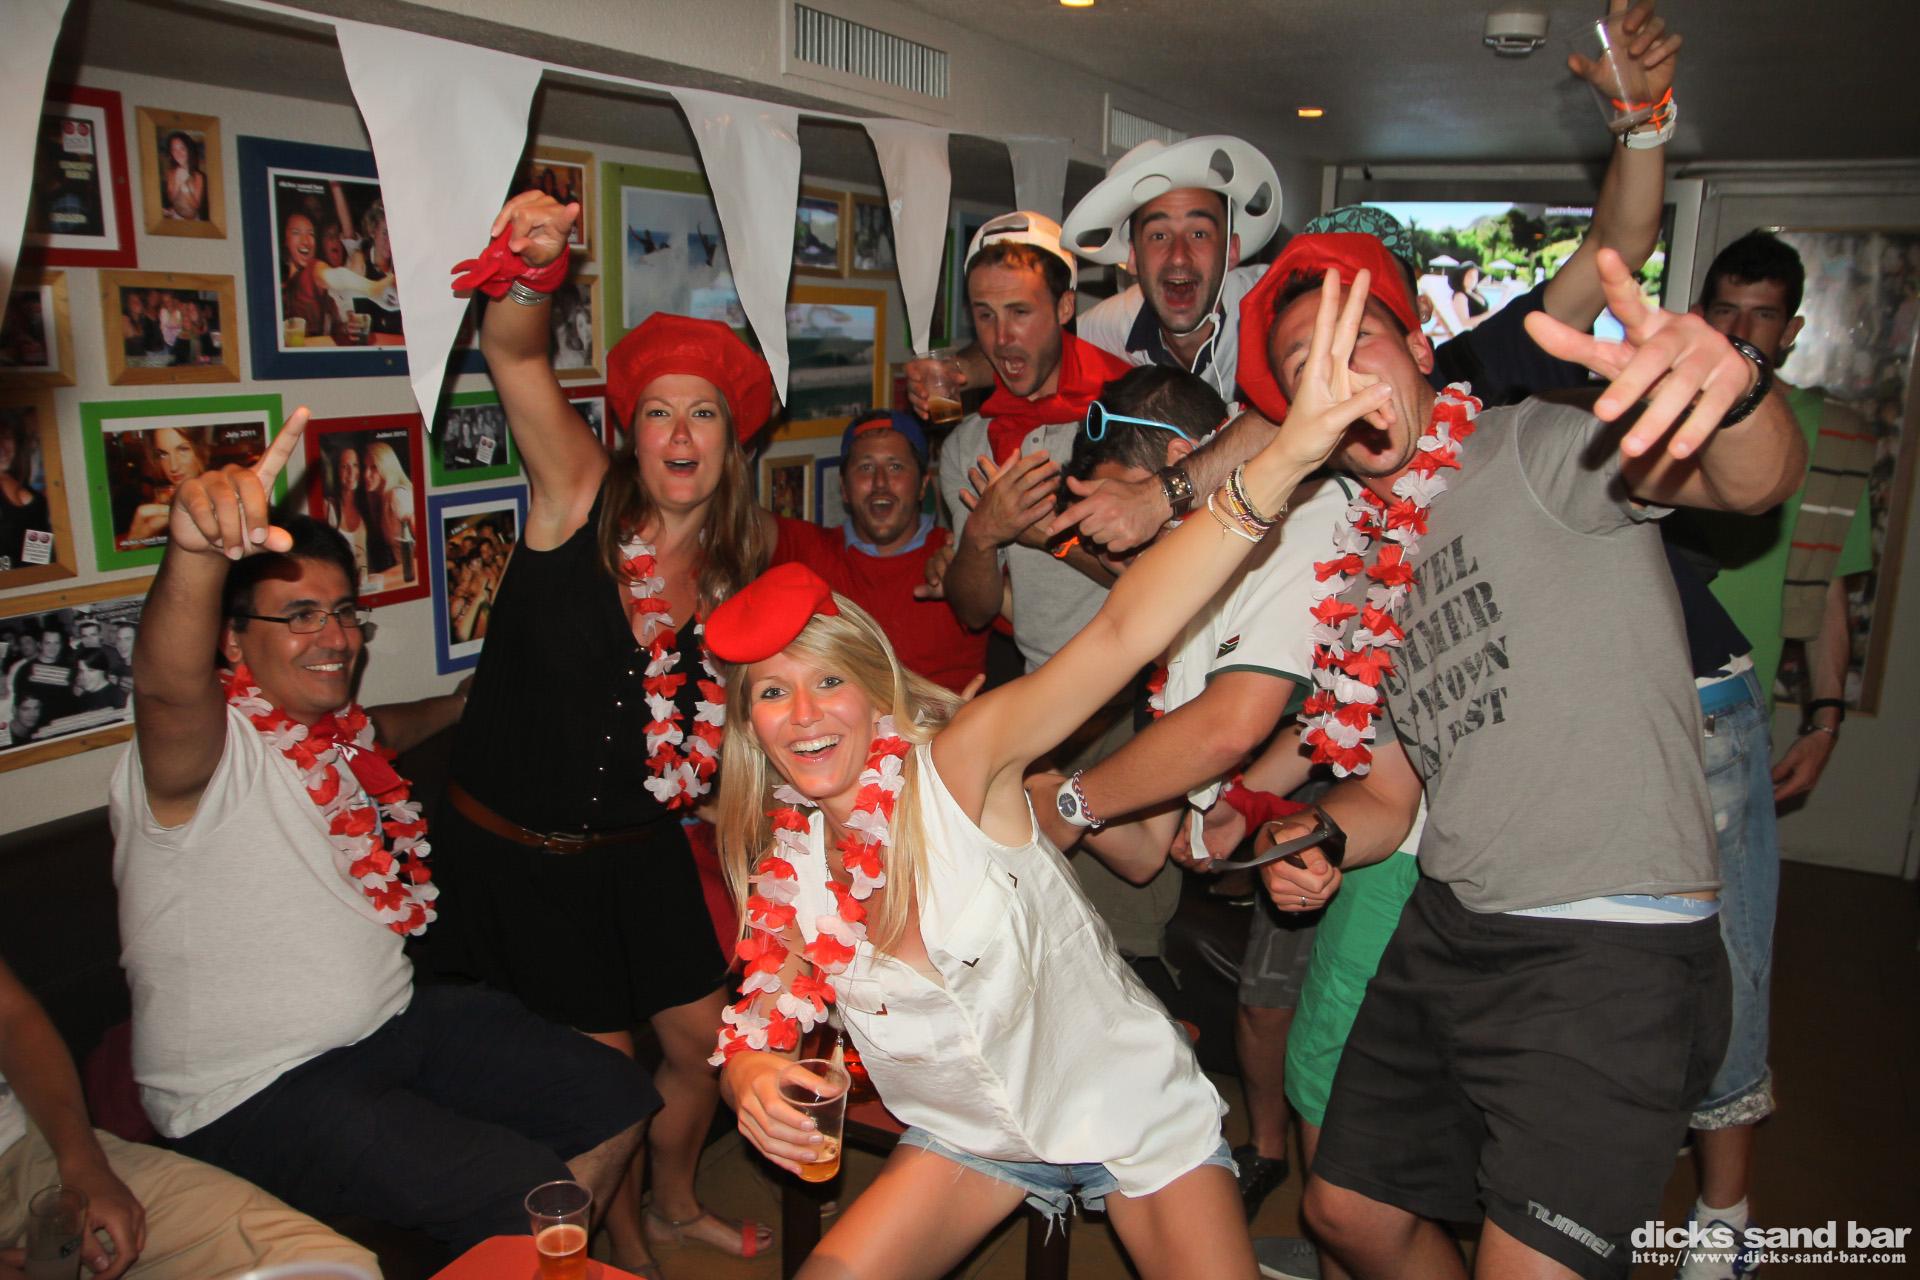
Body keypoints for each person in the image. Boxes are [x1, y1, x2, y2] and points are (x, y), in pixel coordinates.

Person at [712, 276, 1396, 1277]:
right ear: (750, 727)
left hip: (1126, 1104)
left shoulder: (961, 766)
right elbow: (763, 1007)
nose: (805, 715)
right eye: (773, 695)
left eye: (828, 683)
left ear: (873, 688)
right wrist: (747, 1078)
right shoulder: (787, 861)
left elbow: (1125, 629)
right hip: (971, 1136)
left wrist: (1288, 454)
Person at [1249, 230, 1804, 1280]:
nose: (1339, 374)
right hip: (1452, 927)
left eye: (1359, 340)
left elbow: (1752, 483)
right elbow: (1389, 793)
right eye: (1304, 365)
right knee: (1348, 1212)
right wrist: (1313, 832)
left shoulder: (1535, 446)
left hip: (1610, 944)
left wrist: (1733, 394)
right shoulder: (1362, 575)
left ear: (1422, 350)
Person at [110, 413, 653, 1259]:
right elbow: (165, 689)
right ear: (230, 640)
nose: (334, 638)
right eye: (299, 616)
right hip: (252, 1089)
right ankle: (528, 1257)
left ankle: (529, 1267)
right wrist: (193, 552)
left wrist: (462, 706)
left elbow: (384, 727)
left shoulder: (333, 734)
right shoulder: (198, 756)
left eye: (342, 613)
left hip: (394, 1027)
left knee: (617, 1094)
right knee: (517, 1188)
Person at [431, 190, 780, 1274]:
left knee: (708, 1041)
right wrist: (533, 271)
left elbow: (755, 726)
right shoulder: (577, 497)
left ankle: (670, 1201)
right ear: (630, 431)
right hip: (519, 860)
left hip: (637, 851)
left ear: (729, 440)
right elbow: (515, 355)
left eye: (704, 414)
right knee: (607, 1070)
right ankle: (619, 1242)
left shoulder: (736, 579)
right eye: (659, 412)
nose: (679, 434)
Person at [1042, 0, 1681, 558]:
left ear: (1416, 329)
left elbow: (1618, 246)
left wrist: (1641, 120)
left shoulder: (1488, 375)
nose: (1337, 359)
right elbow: (1276, 425)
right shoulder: (1313, 442)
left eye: (1363, 304)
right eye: (1314, 339)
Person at [1657, 230, 1874, 1279]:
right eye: (1725, 310)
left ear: (1789, 331)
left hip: (1727, 713)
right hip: (1635, 702)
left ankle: (1725, 1217)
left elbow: (1826, 588)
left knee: (1732, 958)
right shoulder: (1653, 415)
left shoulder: (1828, 437)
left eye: (1762, 315)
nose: (1742, 330)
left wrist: (1824, 720)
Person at [0, 953, 375, 1280]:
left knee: (326, 1265)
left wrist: (83, 1162)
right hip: (234, 1099)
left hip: (29, 1149)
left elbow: (12, 1018)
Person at [771, 410, 989, 694]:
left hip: (951, 720)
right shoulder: (808, 549)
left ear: (923, 485)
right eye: (865, 467)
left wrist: (970, 569)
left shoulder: (958, 554)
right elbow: (734, 518)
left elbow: (1031, 627)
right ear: (844, 488)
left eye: (896, 467)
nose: (880, 482)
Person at [124, 428, 210, 546]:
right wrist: (135, 545)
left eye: (183, 449)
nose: (173, 466)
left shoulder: (221, 500)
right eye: (163, 454)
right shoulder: (160, 507)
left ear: (202, 450)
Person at [0, 415, 49, 572]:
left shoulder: (25, 486)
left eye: (6, 438)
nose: (2, 449)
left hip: (36, 577)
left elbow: (38, 557)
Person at [322, 441, 370, 585]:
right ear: (336, 471)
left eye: (355, 465)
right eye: (344, 466)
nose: (351, 472)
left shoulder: (366, 506)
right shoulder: (328, 507)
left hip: (367, 586)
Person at [159, 131, 206, 223]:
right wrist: (178, 182)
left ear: (188, 150)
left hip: (193, 221)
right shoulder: (171, 172)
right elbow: (172, 198)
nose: (178, 153)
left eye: (182, 148)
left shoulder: (198, 176)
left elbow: (196, 206)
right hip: (176, 218)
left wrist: (185, 187)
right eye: (174, 149)